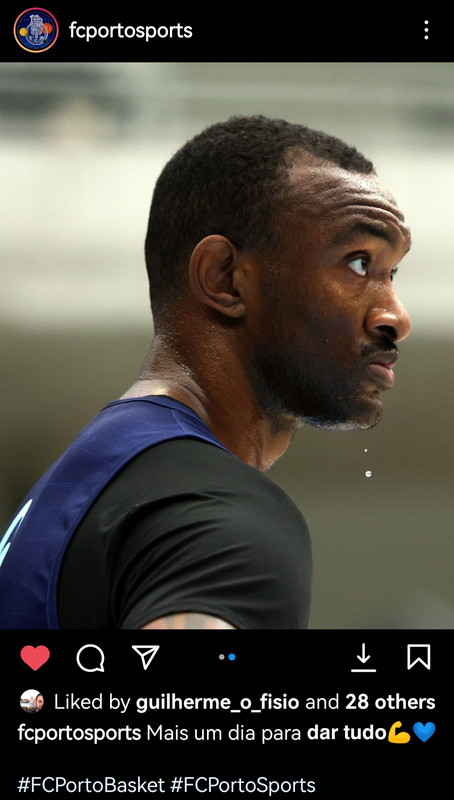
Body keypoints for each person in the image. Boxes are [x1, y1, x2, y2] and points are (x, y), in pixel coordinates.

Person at [0, 114, 411, 630]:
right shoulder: (217, 513)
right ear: (223, 278)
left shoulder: (95, 475)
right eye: (358, 263)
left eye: (393, 272)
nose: (397, 317)